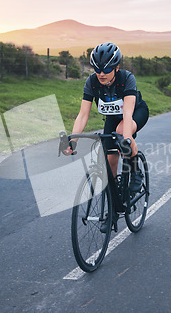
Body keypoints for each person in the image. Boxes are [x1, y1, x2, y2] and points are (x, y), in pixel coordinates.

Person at [63, 42, 149, 220]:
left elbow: (127, 112)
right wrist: (73, 140)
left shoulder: (126, 78)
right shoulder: (92, 82)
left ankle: (136, 171)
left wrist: (126, 139)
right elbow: (83, 114)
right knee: (110, 161)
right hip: (112, 118)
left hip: (134, 114)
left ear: (116, 67)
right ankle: (115, 205)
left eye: (106, 69)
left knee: (121, 134)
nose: (101, 74)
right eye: (97, 69)